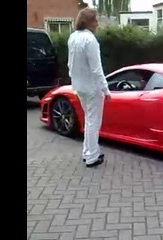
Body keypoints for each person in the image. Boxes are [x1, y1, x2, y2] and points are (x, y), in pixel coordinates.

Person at [67, 7, 111, 168]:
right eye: (96, 20)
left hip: (79, 86)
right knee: (94, 122)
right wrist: (106, 90)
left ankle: (88, 152)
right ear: (89, 22)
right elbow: (96, 69)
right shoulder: (90, 40)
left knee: (88, 120)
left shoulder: (72, 37)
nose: (97, 23)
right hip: (92, 88)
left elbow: (70, 63)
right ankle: (92, 156)